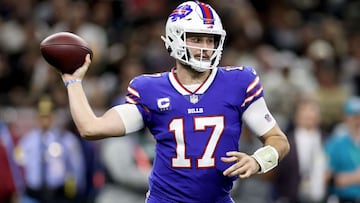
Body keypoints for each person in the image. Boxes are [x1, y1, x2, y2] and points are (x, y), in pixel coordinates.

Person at [59, 1, 290, 202]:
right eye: (197, 39)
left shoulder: (238, 82)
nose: (205, 48)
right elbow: (91, 128)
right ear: (174, 38)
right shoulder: (149, 89)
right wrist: (73, 82)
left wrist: (258, 161)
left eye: (210, 40)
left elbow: (278, 140)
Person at [17, 96, 86, 203]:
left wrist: (73, 191)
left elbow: (76, 166)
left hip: (58, 194)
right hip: (33, 193)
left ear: (53, 116)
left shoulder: (66, 139)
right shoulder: (28, 140)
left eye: (48, 116)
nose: (45, 120)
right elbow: (19, 164)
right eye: (42, 116)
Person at [272, 97, 327, 203]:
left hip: (321, 196)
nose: (308, 115)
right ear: (296, 117)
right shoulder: (285, 141)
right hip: (290, 196)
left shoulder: (328, 140)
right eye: (304, 111)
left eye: (312, 110)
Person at [324, 96, 360, 202]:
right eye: (354, 117)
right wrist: (354, 177)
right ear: (346, 118)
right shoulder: (335, 144)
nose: (357, 121)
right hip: (344, 198)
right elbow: (326, 177)